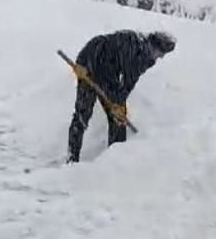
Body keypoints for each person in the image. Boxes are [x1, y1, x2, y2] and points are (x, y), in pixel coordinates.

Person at [66, 29, 176, 163]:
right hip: (92, 61)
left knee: (116, 115)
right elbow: (128, 81)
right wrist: (118, 106)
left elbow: (128, 84)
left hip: (99, 64)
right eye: (161, 52)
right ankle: (76, 159)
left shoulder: (142, 50)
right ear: (154, 45)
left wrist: (118, 105)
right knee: (88, 114)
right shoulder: (136, 49)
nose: (161, 57)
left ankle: (114, 159)